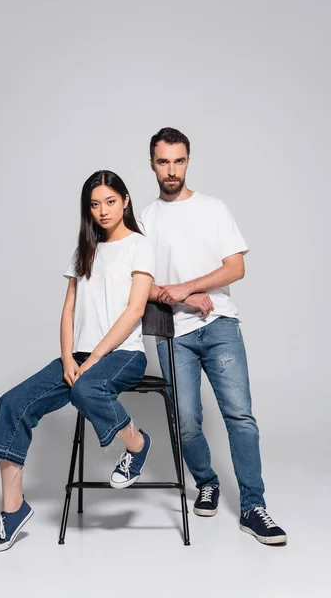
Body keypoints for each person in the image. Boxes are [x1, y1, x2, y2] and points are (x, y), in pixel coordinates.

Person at [0, 170, 155, 553]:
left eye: (110, 201)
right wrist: (66, 357)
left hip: (124, 353)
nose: (103, 211)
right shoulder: (85, 249)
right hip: (76, 356)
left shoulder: (140, 246)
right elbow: (68, 310)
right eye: (95, 204)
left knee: (86, 389)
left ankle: (137, 445)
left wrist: (94, 357)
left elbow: (135, 310)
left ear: (125, 201)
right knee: (11, 403)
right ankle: (12, 513)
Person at [138, 127, 287, 545]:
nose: (172, 170)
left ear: (188, 161)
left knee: (240, 415)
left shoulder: (213, 209)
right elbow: (138, 285)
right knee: (185, 422)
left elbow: (235, 267)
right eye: (163, 161)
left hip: (220, 324)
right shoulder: (145, 220)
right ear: (152, 164)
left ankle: (253, 505)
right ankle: (207, 480)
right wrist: (182, 297)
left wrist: (189, 287)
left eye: (179, 160)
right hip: (171, 331)